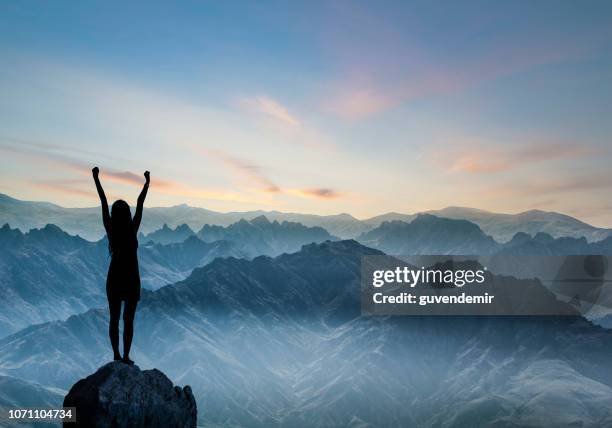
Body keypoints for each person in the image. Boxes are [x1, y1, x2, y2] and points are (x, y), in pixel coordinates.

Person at [92, 166, 150, 364]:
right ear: (127, 214)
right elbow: (140, 203)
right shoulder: (133, 229)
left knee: (115, 319)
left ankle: (117, 355)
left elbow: (103, 200)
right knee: (128, 321)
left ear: (114, 215)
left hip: (115, 278)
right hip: (132, 279)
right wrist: (146, 184)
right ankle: (125, 356)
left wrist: (96, 179)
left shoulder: (111, 230)